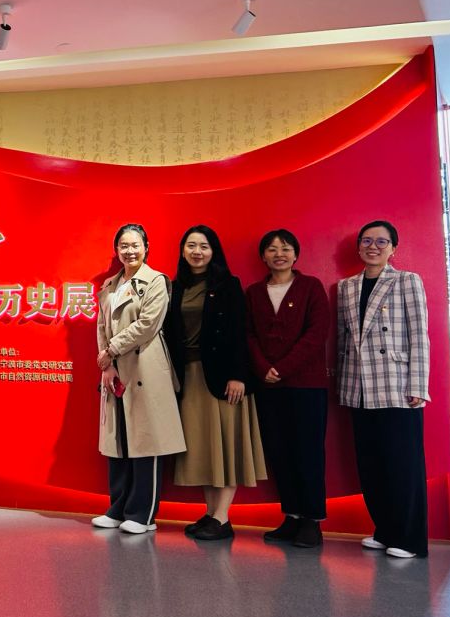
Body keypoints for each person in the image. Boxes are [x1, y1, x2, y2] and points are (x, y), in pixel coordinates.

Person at [163, 225, 267, 540]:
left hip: (223, 378)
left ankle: (222, 518)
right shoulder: (174, 287)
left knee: (226, 446)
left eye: (204, 246)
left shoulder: (227, 285)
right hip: (189, 377)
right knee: (205, 448)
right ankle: (211, 514)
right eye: (191, 245)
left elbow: (240, 332)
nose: (197, 251)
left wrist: (238, 375)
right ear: (183, 250)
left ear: (214, 251)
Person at [337, 220, 430, 559]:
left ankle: (409, 539)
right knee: (371, 463)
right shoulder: (346, 286)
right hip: (360, 386)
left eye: (381, 241)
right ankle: (385, 530)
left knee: (402, 464)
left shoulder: (407, 281)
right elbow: (344, 340)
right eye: (366, 241)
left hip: (397, 385)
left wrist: (418, 384)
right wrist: (342, 382)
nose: (372, 247)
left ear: (393, 248)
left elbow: (419, 335)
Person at [92, 224, 185, 534]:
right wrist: (107, 364)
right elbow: (102, 326)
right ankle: (117, 508)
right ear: (116, 250)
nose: (129, 251)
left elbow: (148, 324)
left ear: (146, 247)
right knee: (118, 442)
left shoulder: (156, 280)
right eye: (123, 245)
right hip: (115, 370)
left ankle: (142, 515)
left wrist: (111, 350)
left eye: (135, 245)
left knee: (147, 442)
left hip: (146, 368)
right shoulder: (110, 285)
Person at [245, 229, 330, 548]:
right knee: (279, 452)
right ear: (263, 256)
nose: (279, 254)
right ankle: (292, 516)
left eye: (285, 248)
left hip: (306, 385)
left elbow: (317, 333)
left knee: (307, 452)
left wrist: (283, 368)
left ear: (295, 254)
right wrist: (262, 368)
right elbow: (248, 335)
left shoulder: (311, 287)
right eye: (271, 249)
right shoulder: (254, 292)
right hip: (267, 386)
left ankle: (312, 521)